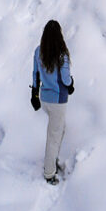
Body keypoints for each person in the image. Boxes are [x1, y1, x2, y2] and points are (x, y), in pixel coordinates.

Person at [29, 18, 74, 182]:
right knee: (54, 136)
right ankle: (49, 172)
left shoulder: (38, 51)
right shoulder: (62, 55)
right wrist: (71, 83)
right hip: (58, 100)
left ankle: (52, 160)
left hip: (45, 99)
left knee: (59, 131)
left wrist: (34, 94)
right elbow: (66, 79)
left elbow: (36, 74)